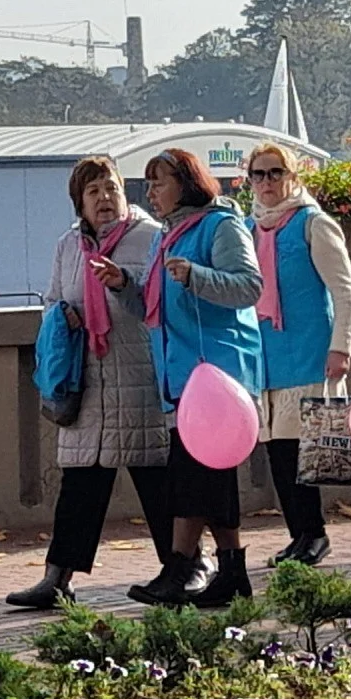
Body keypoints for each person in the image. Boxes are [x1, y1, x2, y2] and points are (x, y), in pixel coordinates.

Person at [5, 157, 212, 609]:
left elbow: (163, 301)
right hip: (87, 381)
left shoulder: (151, 235)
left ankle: (188, 564)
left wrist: (123, 283)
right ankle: (57, 577)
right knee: (80, 484)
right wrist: (63, 317)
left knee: (157, 478)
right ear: (79, 202)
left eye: (111, 188)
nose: (104, 198)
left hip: (140, 377)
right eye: (93, 191)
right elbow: (53, 299)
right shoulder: (69, 245)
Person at [93, 149, 264, 607]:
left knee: (194, 478)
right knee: (206, 479)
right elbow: (155, 306)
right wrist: (123, 285)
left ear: (186, 184)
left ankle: (180, 568)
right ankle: (230, 572)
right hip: (182, 378)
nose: (150, 192)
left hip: (218, 376)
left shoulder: (221, 225)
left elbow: (249, 287)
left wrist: (195, 275)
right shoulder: (166, 236)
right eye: (148, 183)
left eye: (159, 182)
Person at [246, 142, 351, 567]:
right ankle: (297, 536)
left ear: (292, 176)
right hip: (266, 358)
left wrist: (340, 347)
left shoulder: (313, 223)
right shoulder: (249, 228)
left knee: (304, 453)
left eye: (275, 172)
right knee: (278, 454)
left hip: (309, 353)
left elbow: (345, 292)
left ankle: (315, 534)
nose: (267, 182)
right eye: (259, 174)